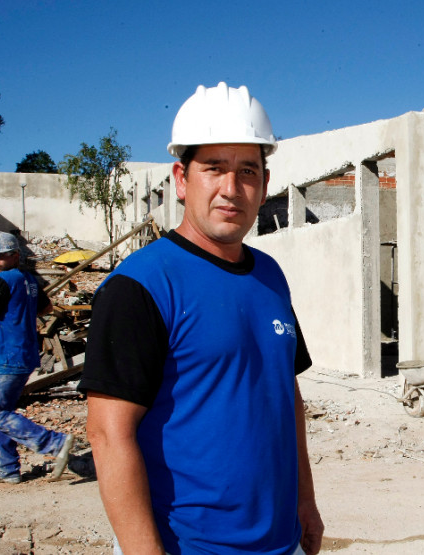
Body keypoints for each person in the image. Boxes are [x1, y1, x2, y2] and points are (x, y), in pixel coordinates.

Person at [79, 82, 324, 555]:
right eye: (214, 168)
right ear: (181, 177)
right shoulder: (141, 285)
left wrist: (306, 502)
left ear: (265, 184)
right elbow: (108, 434)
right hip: (187, 545)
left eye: (247, 171)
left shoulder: (270, 275)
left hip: (280, 541)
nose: (231, 189)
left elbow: (286, 395)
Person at [0, 231, 74, 483]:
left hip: (8, 354)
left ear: (15, 256)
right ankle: (6, 468)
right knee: (2, 410)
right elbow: (47, 308)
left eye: (0, 257)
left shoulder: (3, 280)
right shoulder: (28, 279)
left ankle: (54, 443)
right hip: (26, 353)